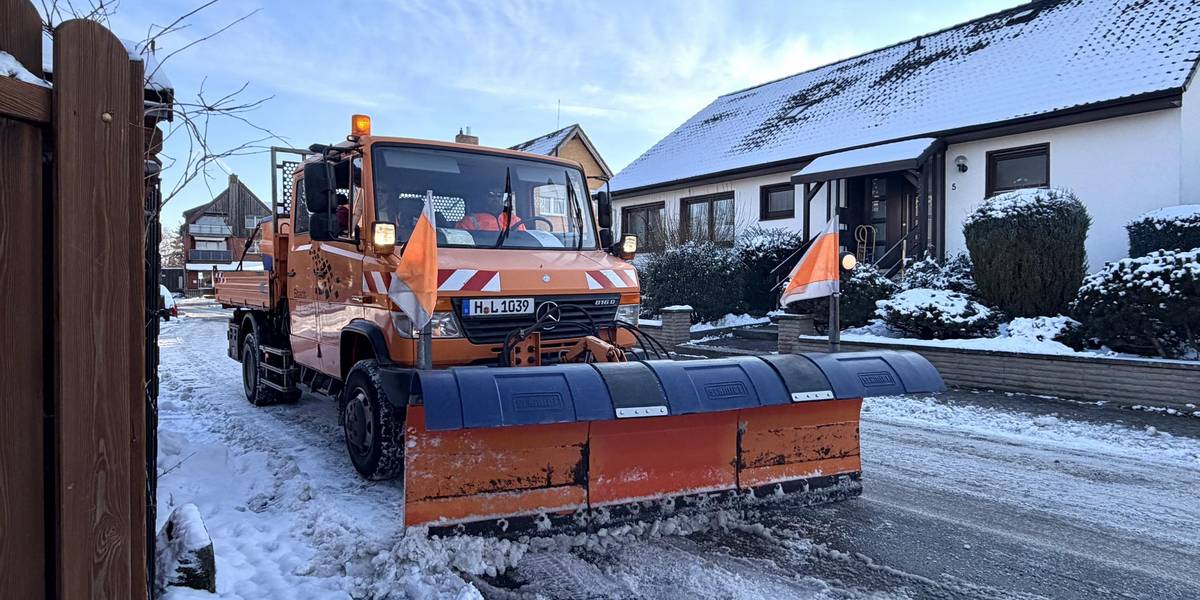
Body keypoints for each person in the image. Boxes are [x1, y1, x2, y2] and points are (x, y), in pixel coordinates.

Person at [456, 191, 524, 231]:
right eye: (491, 194)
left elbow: (523, 241)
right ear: (484, 197)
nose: (495, 198)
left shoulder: (515, 221)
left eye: (499, 195)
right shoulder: (470, 220)